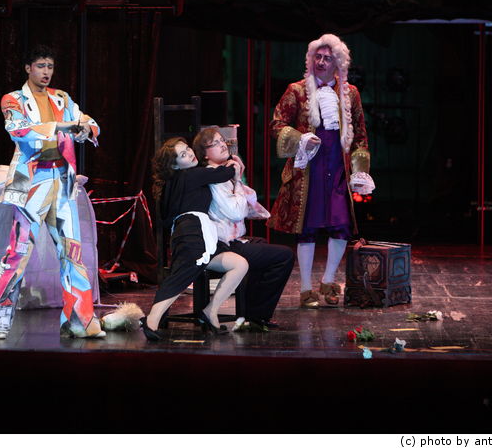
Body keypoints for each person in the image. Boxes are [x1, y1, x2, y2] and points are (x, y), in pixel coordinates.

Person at [0, 45, 105, 339]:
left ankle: (79, 320)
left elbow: (88, 121)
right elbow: (20, 130)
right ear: (28, 68)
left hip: (62, 180)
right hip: (32, 182)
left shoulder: (61, 98)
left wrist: (87, 129)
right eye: (40, 66)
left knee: (72, 251)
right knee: (18, 252)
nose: (46, 72)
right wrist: (63, 126)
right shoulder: (13, 99)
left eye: (50, 66)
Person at [268, 34, 375, 309]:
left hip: (338, 168)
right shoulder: (296, 90)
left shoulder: (350, 93)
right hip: (309, 169)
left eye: (327, 58)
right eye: (317, 56)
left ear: (338, 63)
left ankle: (328, 282)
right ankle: (305, 289)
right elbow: (277, 124)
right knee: (308, 228)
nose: (321, 62)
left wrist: (360, 171)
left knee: (340, 226)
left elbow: (360, 135)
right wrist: (300, 138)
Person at [140, 137, 249, 341]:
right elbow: (223, 173)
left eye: (188, 149)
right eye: (183, 155)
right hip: (193, 232)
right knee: (182, 275)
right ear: (175, 165)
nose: (190, 154)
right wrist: (234, 164)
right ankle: (152, 319)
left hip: (195, 234)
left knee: (239, 264)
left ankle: (210, 311)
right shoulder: (191, 174)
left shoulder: (173, 183)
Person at [191, 127, 294, 331]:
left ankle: (252, 314)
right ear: (205, 154)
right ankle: (255, 314)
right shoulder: (213, 177)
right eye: (215, 143)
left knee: (262, 246)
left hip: (233, 240)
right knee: (284, 256)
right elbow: (237, 212)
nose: (222, 145)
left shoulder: (224, 173)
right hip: (221, 245)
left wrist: (238, 176)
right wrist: (237, 181)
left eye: (222, 141)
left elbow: (251, 201)